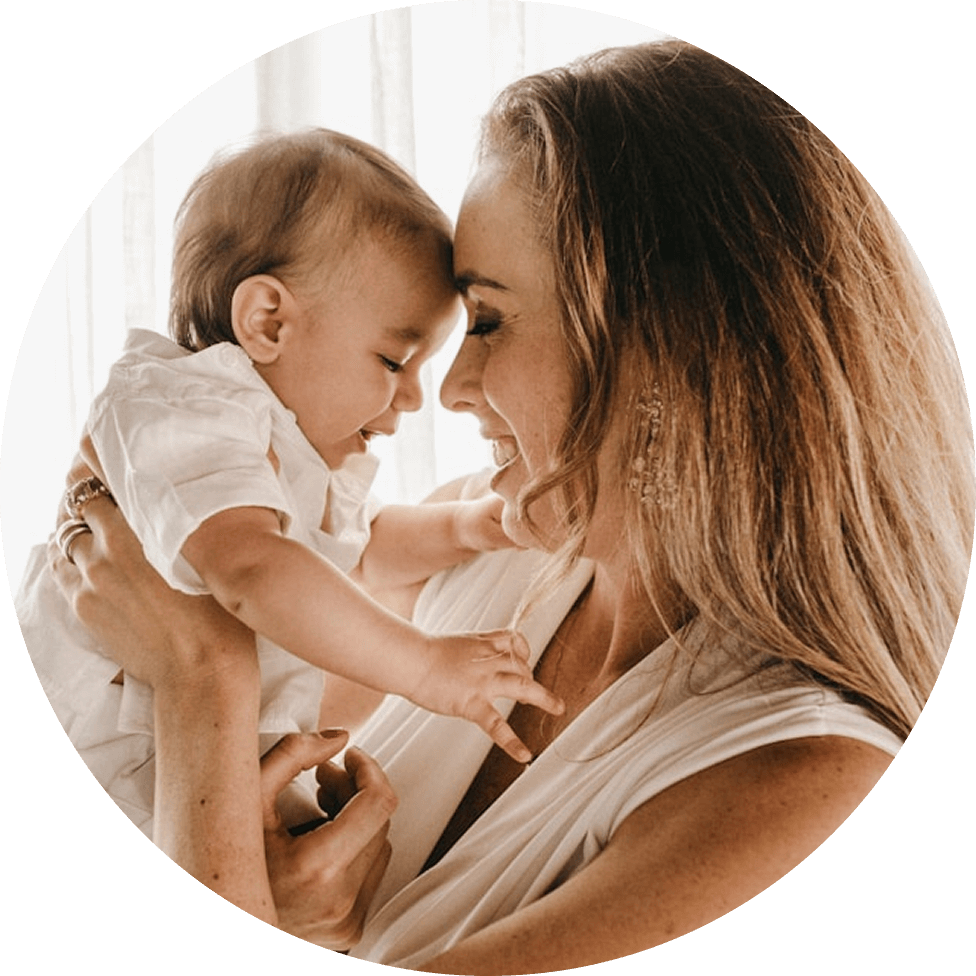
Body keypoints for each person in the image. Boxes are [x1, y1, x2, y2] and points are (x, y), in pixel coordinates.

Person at [50, 40, 972, 969]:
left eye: (487, 320)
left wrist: (200, 671)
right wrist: (298, 905)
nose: (448, 391)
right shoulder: (482, 544)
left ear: (668, 352)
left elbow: (221, 687)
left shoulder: (799, 784)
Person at [17, 128, 561, 838]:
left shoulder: (282, 446)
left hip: (193, 759)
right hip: (109, 748)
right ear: (268, 322)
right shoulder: (183, 407)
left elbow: (357, 554)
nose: (414, 398)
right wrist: (425, 666)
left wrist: (466, 526)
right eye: (394, 362)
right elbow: (253, 568)